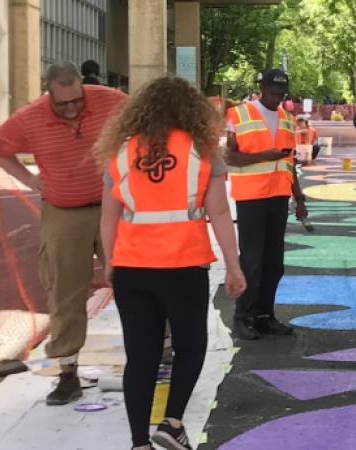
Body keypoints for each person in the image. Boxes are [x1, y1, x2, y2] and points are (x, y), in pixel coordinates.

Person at [95, 75, 247, 450]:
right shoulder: (203, 150)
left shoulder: (121, 151)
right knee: (191, 347)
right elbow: (220, 213)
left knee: (141, 356)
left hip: (133, 265)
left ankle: (138, 443)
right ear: (191, 110)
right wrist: (233, 265)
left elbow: (108, 216)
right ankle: (173, 421)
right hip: (184, 263)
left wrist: (110, 261)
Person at [0, 62, 129, 405]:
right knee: (65, 291)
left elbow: (148, 123)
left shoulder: (111, 101)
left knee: (136, 279)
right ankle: (67, 373)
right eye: (62, 103)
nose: (71, 109)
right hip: (64, 212)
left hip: (115, 206)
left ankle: (161, 348)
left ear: (83, 87)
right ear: (47, 93)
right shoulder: (29, 117)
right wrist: (29, 180)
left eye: (77, 100)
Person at [224, 69, 306, 340]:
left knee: (274, 262)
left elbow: (289, 161)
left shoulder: (287, 118)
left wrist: (299, 197)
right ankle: (243, 316)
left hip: (278, 196)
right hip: (251, 197)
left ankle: (264, 315)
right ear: (261, 89)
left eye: (282, 95)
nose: (277, 100)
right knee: (251, 260)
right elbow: (230, 158)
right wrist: (263, 157)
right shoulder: (239, 114)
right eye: (273, 94)